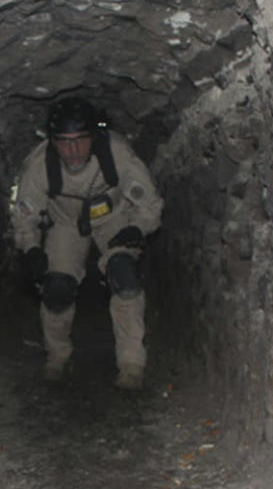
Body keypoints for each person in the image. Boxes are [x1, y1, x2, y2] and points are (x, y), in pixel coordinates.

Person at [10, 96, 163, 390]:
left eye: (81, 140)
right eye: (64, 142)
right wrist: (29, 248)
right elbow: (25, 215)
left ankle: (131, 364)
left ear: (93, 137)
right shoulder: (41, 165)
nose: (73, 150)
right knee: (56, 288)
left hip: (115, 219)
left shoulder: (116, 155)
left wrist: (138, 229)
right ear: (53, 142)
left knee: (124, 276)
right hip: (66, 223)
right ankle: (57, 356)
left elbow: (150, 204)